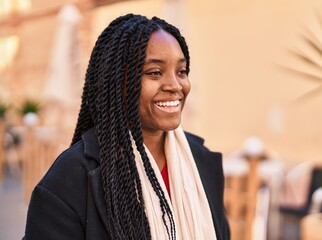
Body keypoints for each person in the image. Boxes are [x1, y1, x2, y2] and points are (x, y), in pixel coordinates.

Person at [23, 13, 229, 240]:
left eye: (181, 71)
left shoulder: (202, 163)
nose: (175, 85)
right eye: (154, 72)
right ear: (116, 83)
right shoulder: (67, 182)